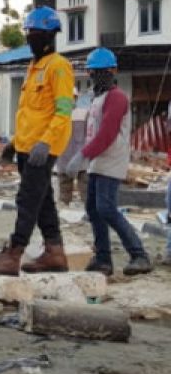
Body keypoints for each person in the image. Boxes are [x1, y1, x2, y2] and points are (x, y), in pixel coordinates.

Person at [0, 7, 75, 275]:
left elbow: (63, 112)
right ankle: (54, 252)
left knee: (27, 200)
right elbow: (30, 113)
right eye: (29, 33)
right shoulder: (34, 67)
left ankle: (14, 253)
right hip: (27, 146)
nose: (31, 37)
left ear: (49, 35)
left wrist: (46, 143)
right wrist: (14, 143)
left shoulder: (59, 67)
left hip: (42, 149)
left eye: (35, 33)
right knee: (43, 199)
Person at [64, 48, 152, 277]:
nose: (96, 75)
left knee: (106, 208)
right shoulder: (97, 98)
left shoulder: (117, 97)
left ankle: (139, 254)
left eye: (101, 71)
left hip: (111, 159)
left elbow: (107, 133)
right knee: (93, 209)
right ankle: (103, 259)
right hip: (97, 160)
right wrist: (85, 154)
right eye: (93, 71)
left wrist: (83, 154)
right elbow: (92, 132)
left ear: (113, 71)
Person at [54, 94, 88, 204]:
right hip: (64, 159)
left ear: (76, 99)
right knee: (64, 194)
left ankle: (88, 215)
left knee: (86, 192)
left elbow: (89, 135)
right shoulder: (57, 116)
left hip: (81, 161)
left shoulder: (84, 114)